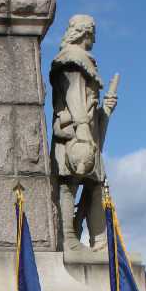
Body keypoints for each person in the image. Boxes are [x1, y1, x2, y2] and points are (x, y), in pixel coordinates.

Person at [49, 14, 118, 252]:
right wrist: (81, 130)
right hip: (75, 131)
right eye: (93, 34)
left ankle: (100, 243)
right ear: (84, 32)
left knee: (96, 185)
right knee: (69, 183)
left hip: (87, 128)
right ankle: (68, 237)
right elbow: (73, 96)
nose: (95, 40)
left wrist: (105, 110)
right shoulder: (72, 59)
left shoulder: (84, 59)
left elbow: (86, 102)